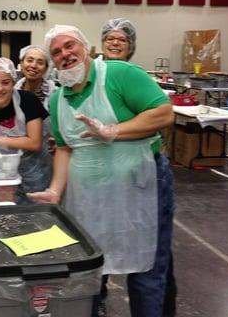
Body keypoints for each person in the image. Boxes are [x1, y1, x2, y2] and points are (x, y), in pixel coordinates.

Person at [28, 25, 175, 317]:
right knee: (89, 267)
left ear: (87, 49)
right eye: (56, 52)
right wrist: (55, 190)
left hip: (141, 185)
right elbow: (65, 148)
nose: (64, 55)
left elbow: (163, 113)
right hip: (91, 197)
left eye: (70, 46)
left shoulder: (119, 75)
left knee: (145, 264)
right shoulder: (59, 99)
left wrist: (113, 131)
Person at [101, 17, 178, 316]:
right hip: (110, 176)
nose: (116, 42)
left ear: (131, 46)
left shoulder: (132, 74)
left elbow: (162, 115)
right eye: (111, 38)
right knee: (147, 252)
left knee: (149, 258)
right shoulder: (96, 75)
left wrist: (113, 132)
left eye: (122, 39)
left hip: (143, 174)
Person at [0, 57, 52, 204]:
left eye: (5, 83)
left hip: (39, 176)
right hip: (4, 181)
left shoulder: (27, 100)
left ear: (13, 83)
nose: (0, 88)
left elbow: (34, 142)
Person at [14, 45, 56, 110]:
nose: (33, 66)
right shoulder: (14, 91)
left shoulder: (54, 93)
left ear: (46, 69)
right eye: (30, 60)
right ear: (21, 64)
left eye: (40, 63)